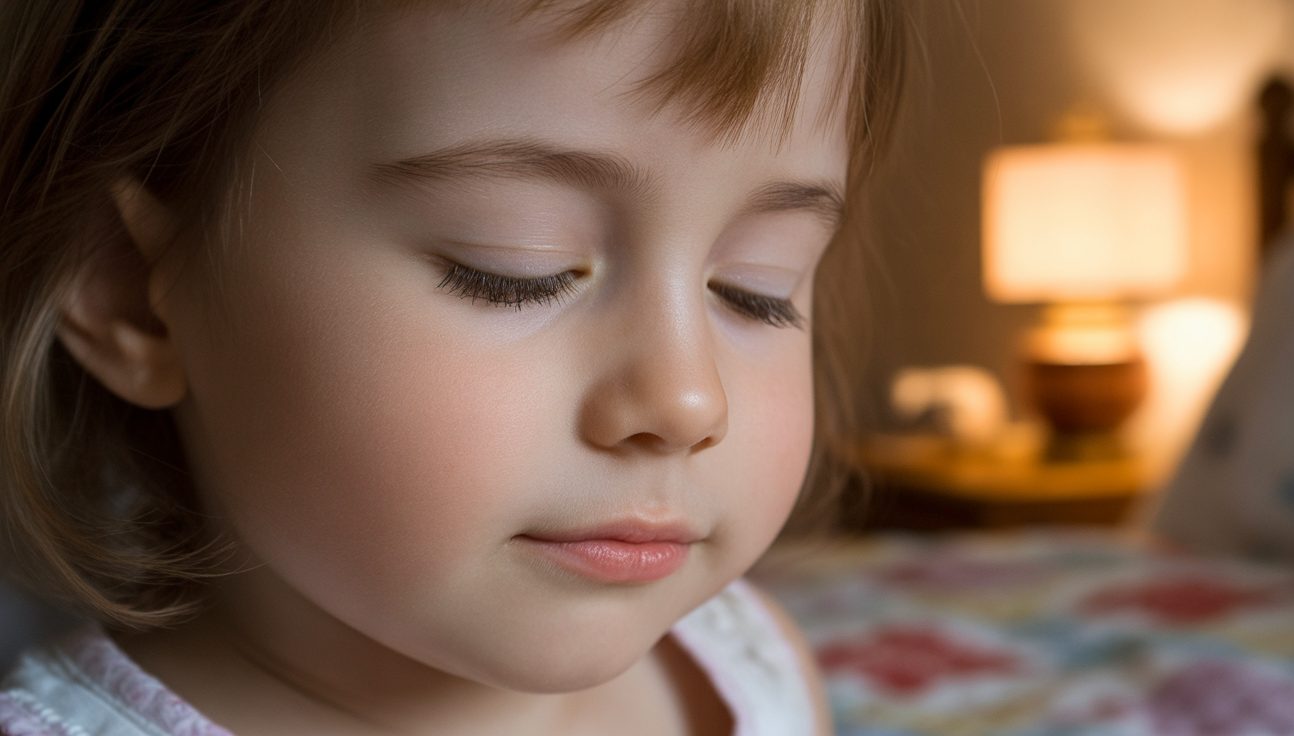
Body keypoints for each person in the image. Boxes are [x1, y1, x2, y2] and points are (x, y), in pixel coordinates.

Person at [0, 1, 909, 734]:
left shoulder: (748, 670)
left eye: (757, 286)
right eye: (515, 269)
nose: (685, 397)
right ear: (129, 292)